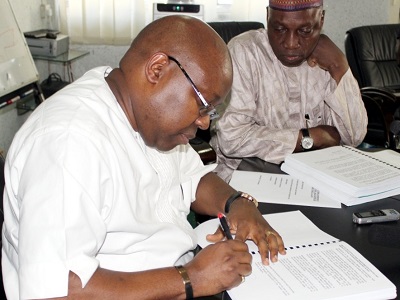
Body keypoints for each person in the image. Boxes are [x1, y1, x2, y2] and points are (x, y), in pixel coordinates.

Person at [2, 16, 286, 300]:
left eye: (211, 112)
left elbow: (193, 180)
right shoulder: (66, 142)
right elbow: (55, 289)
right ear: (157, 69)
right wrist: (192, 279)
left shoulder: (147, 117)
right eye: (202, 106)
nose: (204, 124)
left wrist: (235, 203)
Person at [210, 0, 368, 182]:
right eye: (280, 29)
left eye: (305, 31)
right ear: (268, 16)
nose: (291, 43)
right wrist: (310, 137)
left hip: (314, 176)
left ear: (321, 19)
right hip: (245, 179)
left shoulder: (326, 58)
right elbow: (232, 139)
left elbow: (354, 136)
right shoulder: (244, 52)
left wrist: (339, 66)